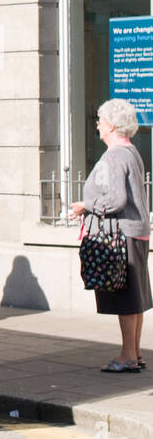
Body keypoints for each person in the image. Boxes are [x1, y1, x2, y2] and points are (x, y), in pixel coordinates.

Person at [68, 98, 151, 372]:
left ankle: (127, 356)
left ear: (112, 126)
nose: (98, 125)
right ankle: (135, 353)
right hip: (135, 231)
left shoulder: (114, 156)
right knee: (135, 297)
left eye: (101, 121)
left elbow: (115, 199)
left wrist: (85, 206)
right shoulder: (131, 152)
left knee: (124, 298)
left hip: (120, 234)